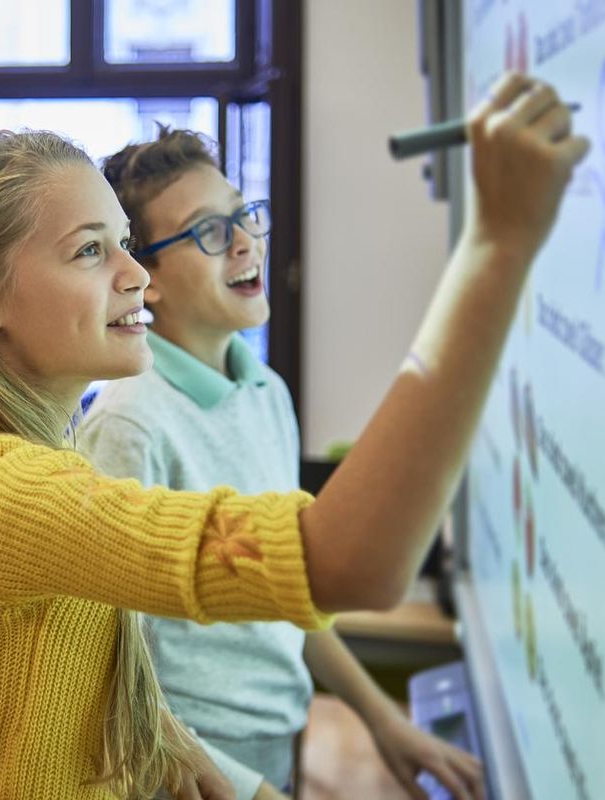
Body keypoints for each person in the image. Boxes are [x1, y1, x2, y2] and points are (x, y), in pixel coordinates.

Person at [0, 72, 588, 800]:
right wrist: (497, 244)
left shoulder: (16, 463)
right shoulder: (1, 487)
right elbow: (351, 562)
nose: (136, 275)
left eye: (125, 242)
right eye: (89, 251)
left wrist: (194, 754)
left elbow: (74, 684)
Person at [81, 127, 480, 800]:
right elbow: (113, 684)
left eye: (243, 215)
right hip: (185, 774)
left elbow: (290, 592)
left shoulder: (266, 391)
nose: (244, 242)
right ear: (143, 279)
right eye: (209, 230)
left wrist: (382, 720)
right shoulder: (127, 426)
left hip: (277, 747)